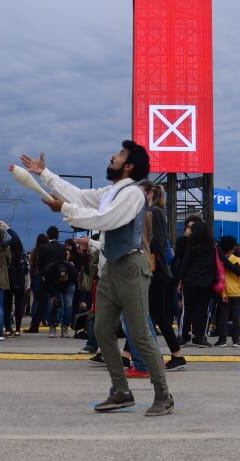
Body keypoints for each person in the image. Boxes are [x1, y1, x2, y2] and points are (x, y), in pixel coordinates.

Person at [21, 140, 174, 417]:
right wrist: (44, 174)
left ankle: (163, 393)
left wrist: (65, 209)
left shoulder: (133, 194)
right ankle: (120, 390)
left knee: (139, 333)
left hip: (130, 268)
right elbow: (78, 195)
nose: (112, 157)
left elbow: (106, 220)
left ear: (128, 165)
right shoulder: (111, 192)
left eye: (119, 155)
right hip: (111, 269)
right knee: (102, 330)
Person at [142, 184, 185, 367]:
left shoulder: (153, 212)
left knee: (152, 314)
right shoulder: (157, 211)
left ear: (149, 194)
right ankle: (127, 355)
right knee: (150, 314)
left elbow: (156, 242)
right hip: (158, 270)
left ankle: (176, 355)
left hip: (155, 271)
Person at [175, 216, 219, 347]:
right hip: (206, 283)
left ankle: (184, 335)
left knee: (187, 310)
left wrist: (181, 280)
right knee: (203, 310)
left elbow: (185, 263)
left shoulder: (191, 245)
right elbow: (217, 263)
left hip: (190, 282)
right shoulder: (212, 246)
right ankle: (200, 336)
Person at [213, 235, 240, 347]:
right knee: (236, 318)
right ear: (232, 248)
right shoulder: (238, 260)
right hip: (237, 293)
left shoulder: (219, 261)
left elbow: (220, 279)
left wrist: (223, 293)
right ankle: (236, 340)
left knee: (223, 318)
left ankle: (222, 340)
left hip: (224, 293)